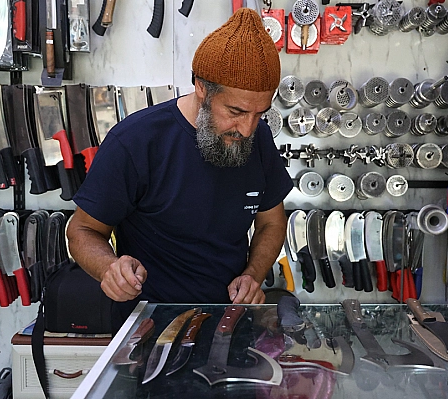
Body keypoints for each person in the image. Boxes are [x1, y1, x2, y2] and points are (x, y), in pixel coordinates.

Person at [66, 8, 292, 329]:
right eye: (236, 111)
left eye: (260, 114)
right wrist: (109, 268)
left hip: (229, 321)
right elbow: (82, 231)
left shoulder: (259, 137)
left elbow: (271, 222)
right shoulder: (136, 141)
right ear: (201, 87)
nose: (246, 128)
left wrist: (252, 275)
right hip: (150, 327)